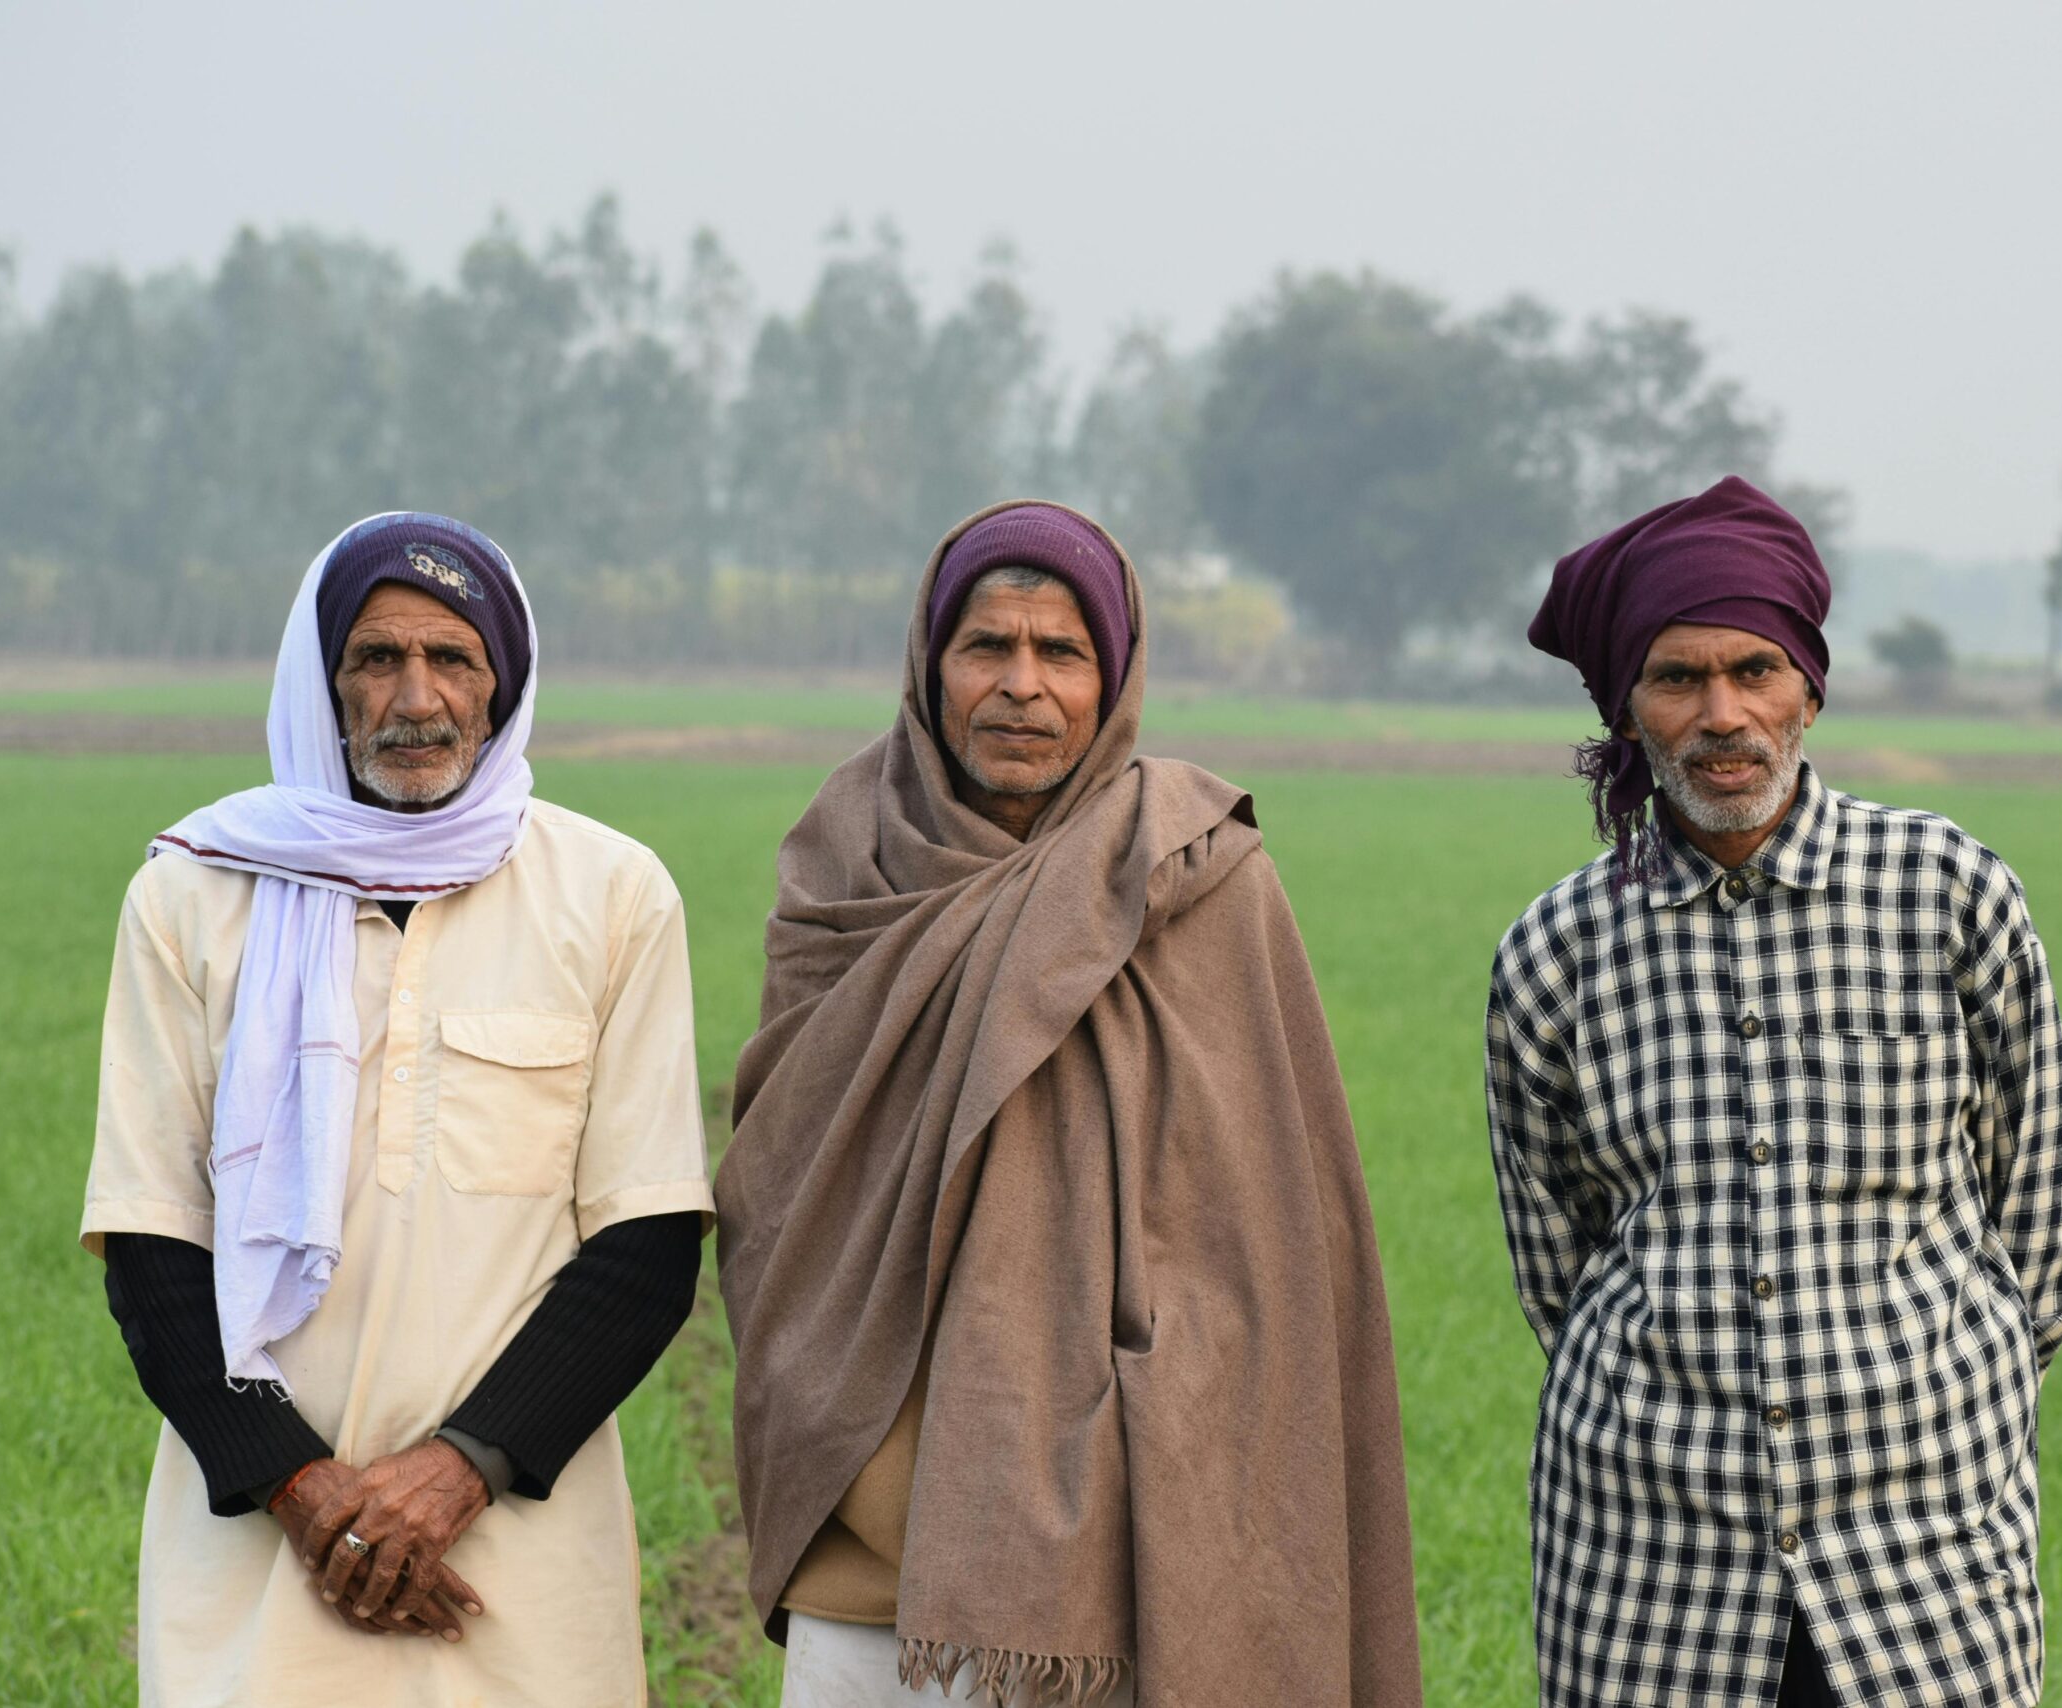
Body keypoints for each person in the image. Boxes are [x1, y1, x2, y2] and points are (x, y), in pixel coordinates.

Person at [716, 500, 1424, 1708]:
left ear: (1115, 676)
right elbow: (786, 1193)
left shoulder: (1203, 880)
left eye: (1063, 653)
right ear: (929, 666)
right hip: (863, 1560)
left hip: (1119, 1562)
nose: (1021, 685)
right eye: (986, 646)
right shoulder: (846, 861)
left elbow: (1274, 1246)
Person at [81, 512, 712, 1707]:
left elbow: (644, 1246)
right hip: (261, 1556)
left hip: (518, 1558)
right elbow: (156, 1247)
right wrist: (305, 1494)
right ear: (323, 682)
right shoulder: (191, 896)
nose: (415, 697)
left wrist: (456, 1473)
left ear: (503, 683)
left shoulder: (612, 894)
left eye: (452, 659)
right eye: (376, 658)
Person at [1488, 477, 2062, 1707]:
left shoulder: (1947, 892)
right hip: (1649, 1557)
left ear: (1809, 687)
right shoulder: (1553, 953)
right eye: (1677, 677)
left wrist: (1927, 1397)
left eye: (1755, 670)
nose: (1723, 714)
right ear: (1626, 708)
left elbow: (2042, 1218)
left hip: (1927, 1547)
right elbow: (1558, 1265)